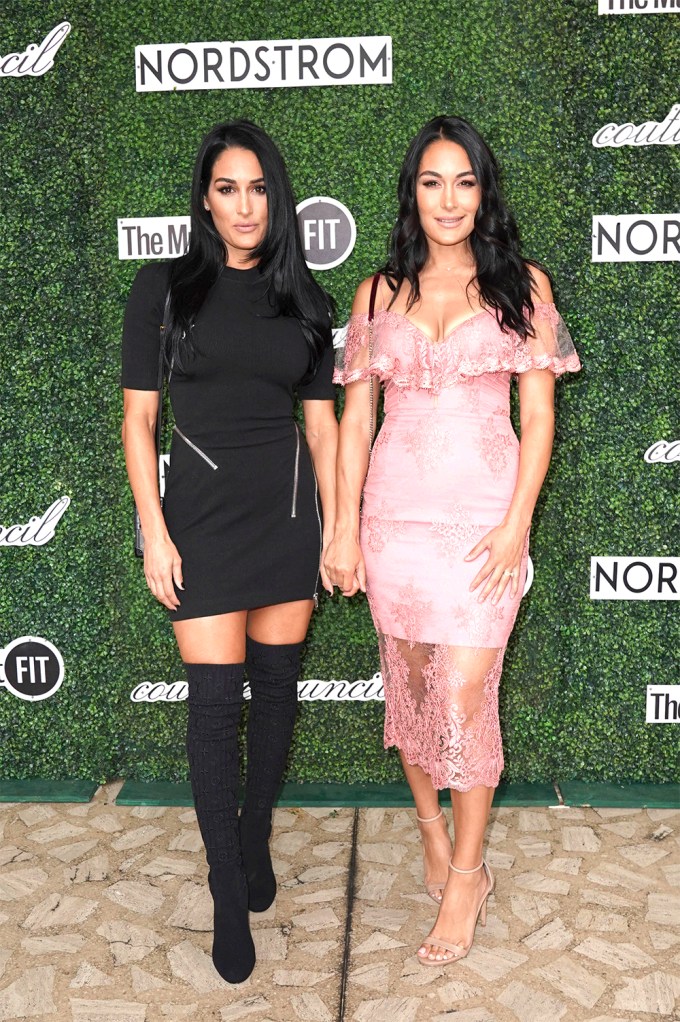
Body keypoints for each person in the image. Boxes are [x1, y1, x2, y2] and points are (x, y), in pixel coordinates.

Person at [326, 115, 580, 966]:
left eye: (464, 182)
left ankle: (468, 874)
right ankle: (432, 833)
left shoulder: (523, 286)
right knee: (413, 691)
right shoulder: (375, 294)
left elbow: (537, 416)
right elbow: (356, 423)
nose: (449, 199)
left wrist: (516, 526)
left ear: (484, 192)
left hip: (482, 529)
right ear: (413, 193)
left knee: (468, 700)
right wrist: (343, 530)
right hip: (393, 526)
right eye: (432, 182)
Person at [121, 120, 337, 983]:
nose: (244, 205)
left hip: (287, 519)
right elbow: (140, 422)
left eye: (258, 188)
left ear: (275, 197)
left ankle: (252, 836)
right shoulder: (163, 289)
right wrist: (155, 529)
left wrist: (339, 527)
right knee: (214, 708)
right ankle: (223, 885)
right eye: (226, 188)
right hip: (202, 522)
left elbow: (321, 427)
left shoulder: (308, 302)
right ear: (204, 198)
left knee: (277, 693)